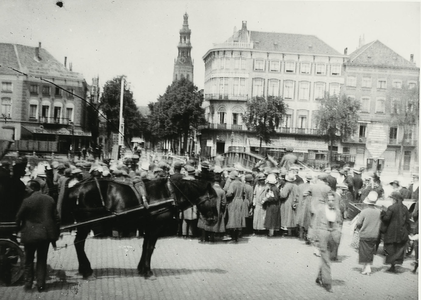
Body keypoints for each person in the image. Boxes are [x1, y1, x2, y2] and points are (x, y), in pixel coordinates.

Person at [16, 180, 60, 292]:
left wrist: (18, 229)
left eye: (27, 188)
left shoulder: (27, 201)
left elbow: (18, 217)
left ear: (32, 188)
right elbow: (56, 218)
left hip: (30, 235)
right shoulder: (49, 199)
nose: (26, 189)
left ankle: (28, 284)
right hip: (45, 235)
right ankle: (41, 285)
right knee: (42, 259)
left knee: (28, 260)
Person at [314, 192, 342, 293]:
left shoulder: (338, 211)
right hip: (323, 236)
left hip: (333, 238)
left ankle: (319, 276)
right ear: (326, 200)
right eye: (329, 200)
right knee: (326, 260)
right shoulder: (321, 210)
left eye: (332, 200)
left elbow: (339, 223)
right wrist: (315, 240)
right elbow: (315, 224)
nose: (331, 202)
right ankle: (327, 283)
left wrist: (337, 234)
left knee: (327, 259)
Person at [380, 191, 411, 273]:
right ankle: (395, 265)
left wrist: (383, 214)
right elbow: (408, 220)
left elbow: (386, 219)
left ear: (394, 199)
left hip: (391, 232)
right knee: (398, 248)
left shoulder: (391, 207)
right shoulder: (405, 208)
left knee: (391, 248)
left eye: (392, 198)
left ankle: (392, 266)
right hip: (402, 232)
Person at [355, 191, 382, 275]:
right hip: (375, 234)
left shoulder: (364, 212)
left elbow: (359, 223)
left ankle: (367, 268)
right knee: (370, 251)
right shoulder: (379, 212)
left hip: (365, 234)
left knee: (363, 252)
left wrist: (357, 228)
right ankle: (367, 266)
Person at [226, 171, 246, 242]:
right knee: (238, 218)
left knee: (233, 218)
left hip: (234, 201)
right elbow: (244, 193)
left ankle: (233, 237)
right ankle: (237, 236)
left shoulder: (233, 184)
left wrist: (225, 195)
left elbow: (230, 194)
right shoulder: (242, 184)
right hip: (240, 201)